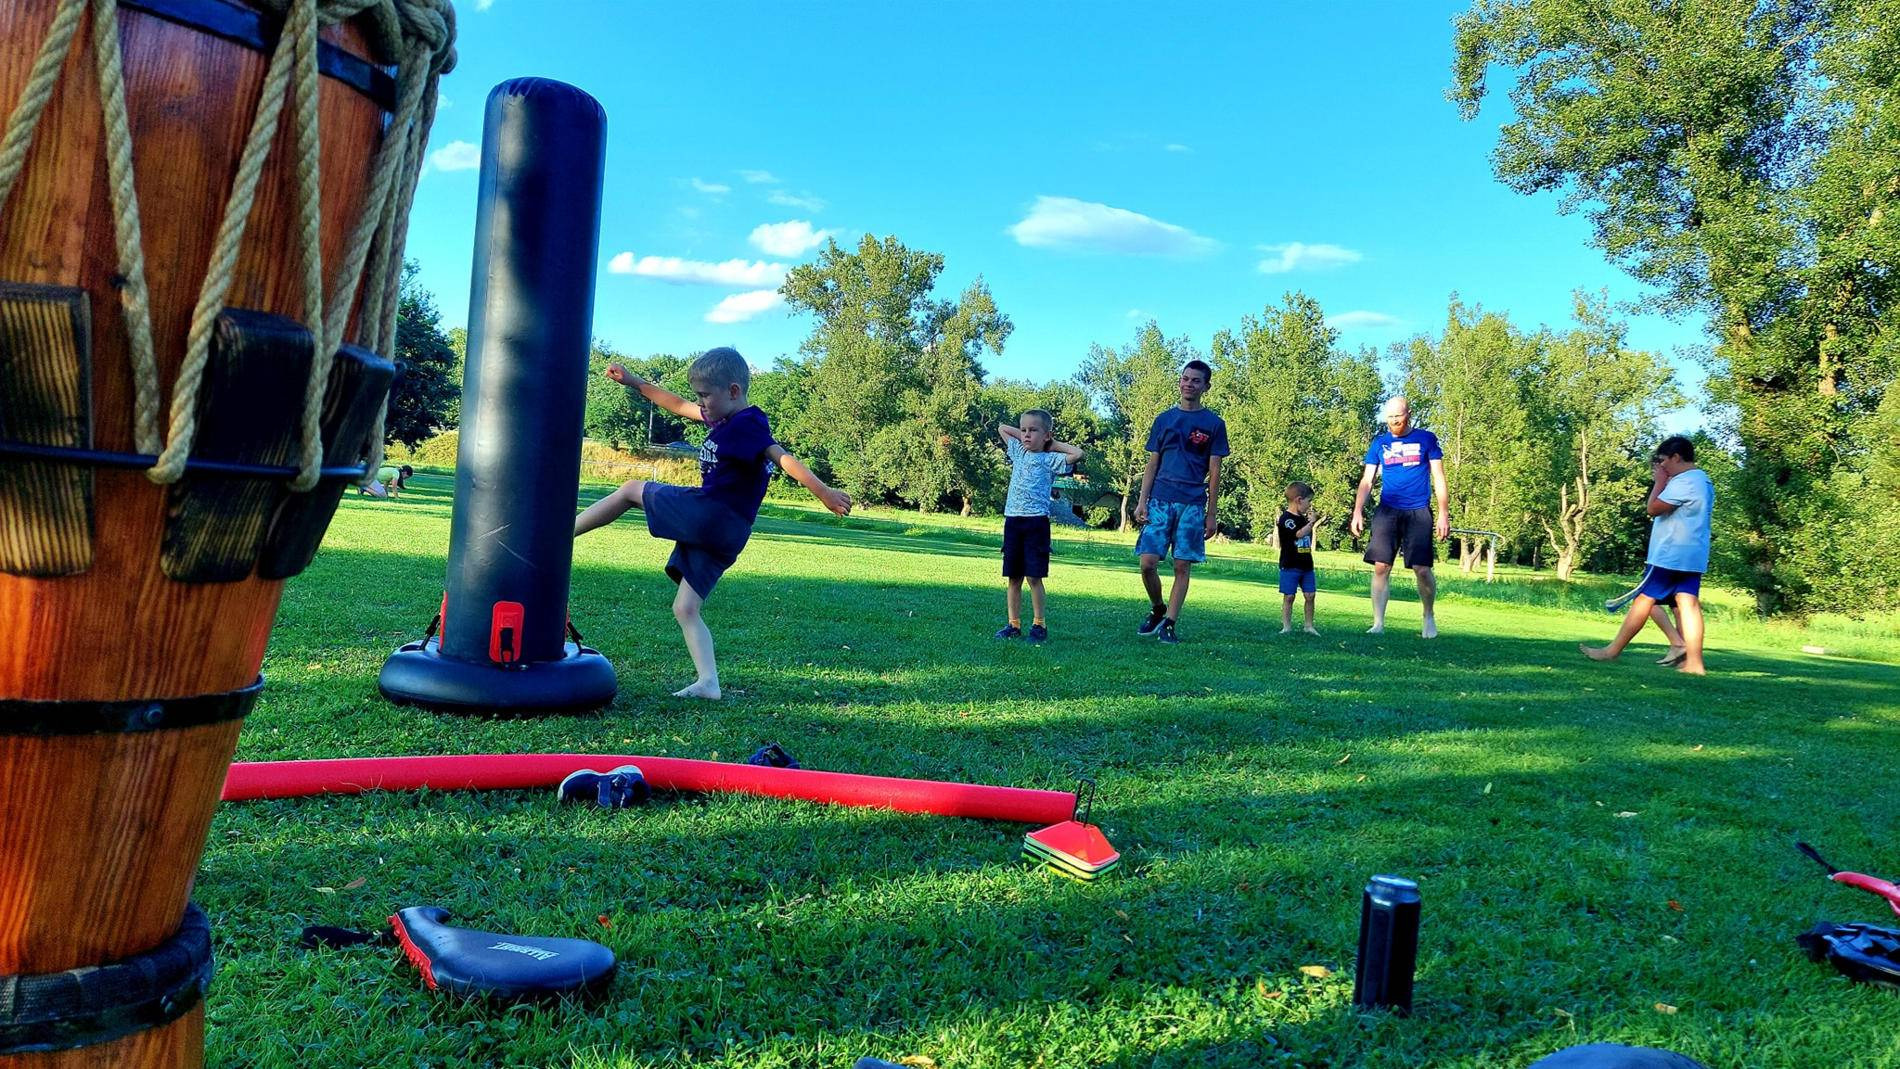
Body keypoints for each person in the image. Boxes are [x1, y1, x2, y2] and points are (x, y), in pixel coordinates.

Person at [573, 347, 852, 699]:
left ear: (733, 391)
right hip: (729, 534)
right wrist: (634, 381)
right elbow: (676, 405)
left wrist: (824, 492)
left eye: (705, 396)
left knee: (630, 489)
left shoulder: (748, 422)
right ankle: (709, 683)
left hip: (713, 514)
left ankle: (563, 535)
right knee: (685, 607)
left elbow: (783, 458)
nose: (700, 403)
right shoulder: (722, 419)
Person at [1581, 435, 1714, 675]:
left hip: (1670, 554)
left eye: (1663, 461)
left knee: (1643, 599)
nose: (1661, 466)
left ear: (1676, 457)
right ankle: (1693, 662)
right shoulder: (1703, 480)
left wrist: (1659, 482)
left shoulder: (1682, 481)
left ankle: (1612, 652)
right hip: (1692, 555)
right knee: (1686, 604)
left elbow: (1653, 509)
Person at [1132, 360, 1229, 644]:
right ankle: (1158, 608)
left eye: (1195, 381)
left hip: (1192, 503)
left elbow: (1214, 471)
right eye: (1185, 379)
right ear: (1180, 382)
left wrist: (1211, 514)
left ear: (1206, 387)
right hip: (1160, 499)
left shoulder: (1214, 424)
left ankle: (1170, 624)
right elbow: (1152, 463)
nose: (1189, 384)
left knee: (1181, 566)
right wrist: (1142, 501)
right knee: (1147, 563)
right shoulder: (1164, 420)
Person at [1350, 396, 1450, 637]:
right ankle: (1378, 623)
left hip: (1418, 511)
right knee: (1381, 567)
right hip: (1388, 511)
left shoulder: (1427, 439)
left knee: (1422, 568)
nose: (1394, 421)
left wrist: (1443, 513)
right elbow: (1367, 480)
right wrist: (1357, 511)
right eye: (1390, 417)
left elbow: (1438, 477)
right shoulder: (1380, 443)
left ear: (1408, 414)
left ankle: (1428, 616)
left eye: (1398, 416)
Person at [995, 410, 1083, 642]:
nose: (1026, 435)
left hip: (1036, 523)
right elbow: (1002, 428)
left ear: (1046, 435)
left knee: (1034, 577)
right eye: (1024, 430)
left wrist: (1050, 443)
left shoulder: (1050, 459)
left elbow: (1077, 453)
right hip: (1013, 521)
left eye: (1033, 431)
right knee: (1014, 577)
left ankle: (1039, 625)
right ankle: (1013, 625)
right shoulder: (1017, 452)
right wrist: (1025, 434)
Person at [1277, 482, 1324, 636]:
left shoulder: (1304, 519)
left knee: (1310, 595)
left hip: (1306, 565)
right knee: (1289, 596)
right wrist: (1312, 522)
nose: (1310, 505)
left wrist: (1309, 521)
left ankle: (1309, 626)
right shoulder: (1286, 519)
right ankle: (1286, 626)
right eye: (1308, 501)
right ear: (1298, 500)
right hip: (1290, 564)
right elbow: (1298, 534)